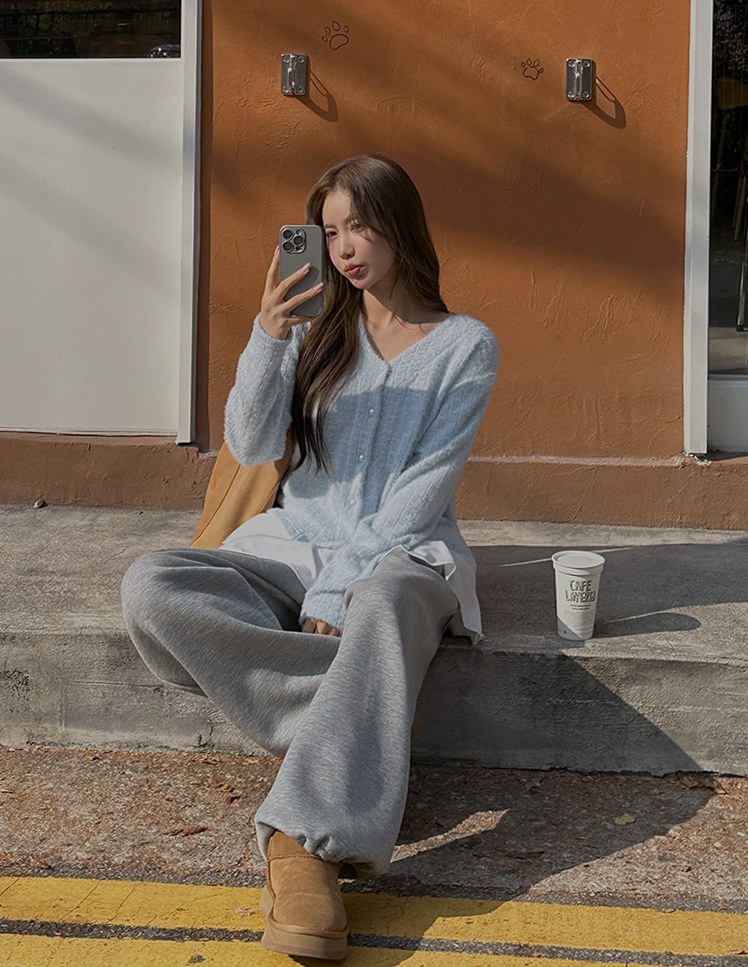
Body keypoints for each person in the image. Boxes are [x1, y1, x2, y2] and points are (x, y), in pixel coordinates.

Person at [121, 155, 498, 960]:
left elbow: (420, 492)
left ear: (399, 222)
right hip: (293, 543)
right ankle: (358, 709)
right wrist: (268, 336)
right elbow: (254, 441)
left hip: (404, 552)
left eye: (358, 225)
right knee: (151, 584)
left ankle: (304, 844)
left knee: (386, 603)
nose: (344, 247)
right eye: (329, 232)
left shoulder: (466, 345)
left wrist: (339, 587)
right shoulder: (317, 328)